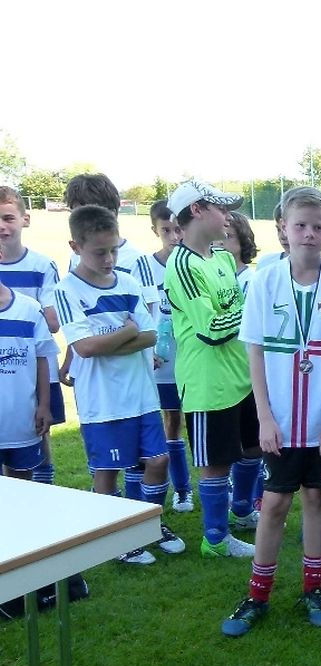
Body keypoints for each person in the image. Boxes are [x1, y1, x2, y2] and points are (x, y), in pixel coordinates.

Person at [221, 187, 321, 637]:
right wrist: (264, 416)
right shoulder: (265, 281)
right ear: (282, 227)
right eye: (300, 225)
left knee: (317, 498)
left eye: (318, 226)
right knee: (275, 503)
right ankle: (257, 595)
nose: (309, 234)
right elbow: (255, 352)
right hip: (280, 423)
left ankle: (313, 588)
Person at [52, 205, 184, 563]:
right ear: (76, 247)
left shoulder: (128, 282)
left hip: (141, 395)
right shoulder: (67, 290)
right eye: (100, 252)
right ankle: (115, 542)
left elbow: (151, 334)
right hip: (103, 402)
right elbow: (85, 348)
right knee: (108, 472)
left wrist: (115, 339)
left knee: (158, 460)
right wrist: (127, 331)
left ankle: (146, 526)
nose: (109, 259)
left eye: (113, 249)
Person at [164, 179, 259, 559]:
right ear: (197, 210)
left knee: (254, 448)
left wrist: (246, 314)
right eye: (221, 209)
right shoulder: (182, 265)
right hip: (208, 384)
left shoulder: (221, 257)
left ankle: (242, 510)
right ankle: (215, 539)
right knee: (216, 464)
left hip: (242, 377)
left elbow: (232, 314)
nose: (228, 217)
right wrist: (255, 312)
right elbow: (212, 330)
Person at [0, 186, 63, 490]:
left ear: (25, 220)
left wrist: (24, 312)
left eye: (8, 218)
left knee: (38, 435)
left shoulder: (41, 265)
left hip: (35, 361)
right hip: (11, 365)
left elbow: (53, 322)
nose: (1, 226)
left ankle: (42, 495)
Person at [133, 200, 194, 513]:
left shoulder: (194, 263)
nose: (174, 236)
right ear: (154, 230)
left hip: (193, 357)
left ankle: (208, 484)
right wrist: (149, 349)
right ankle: (181, 489)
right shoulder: (143, 266)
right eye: (166, 230)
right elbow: (139, 312)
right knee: (169, 420)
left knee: (194, 420)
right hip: (159, 361)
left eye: (178, 229)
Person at [0, 273, 55, 478]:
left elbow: (42, 359)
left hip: (22, 420)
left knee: (22, 485)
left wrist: (44, 406)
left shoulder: (29, 309)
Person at [223, 210, 258, 297]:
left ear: (242, 239)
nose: (220, 241)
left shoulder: (251, 280)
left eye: (227, 236)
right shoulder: (208, 275)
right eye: (217, 235)